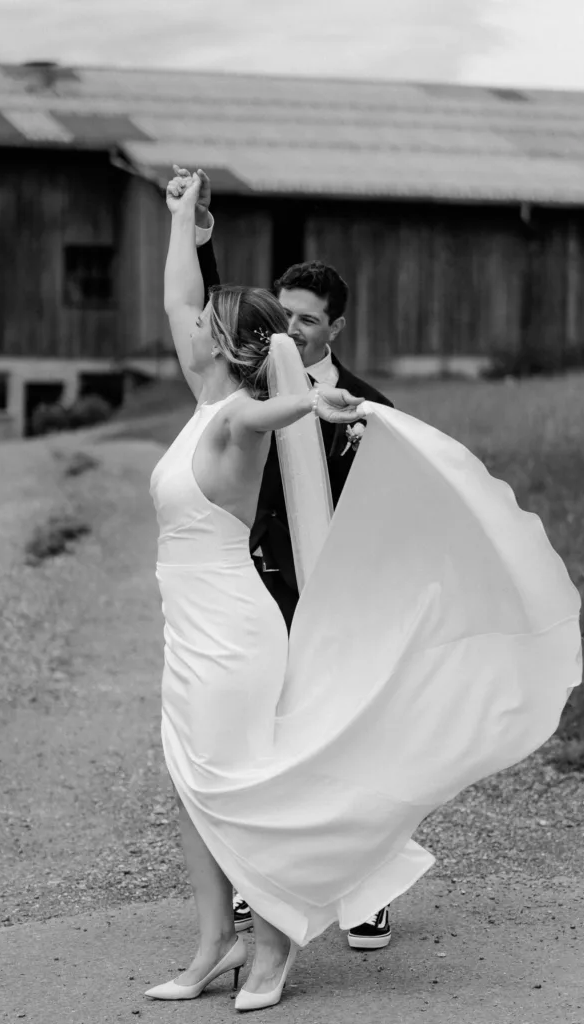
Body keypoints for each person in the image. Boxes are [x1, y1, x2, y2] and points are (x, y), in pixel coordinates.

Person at [145, 172, 581, 1012]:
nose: (189, 327)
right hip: (186, 624)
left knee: (249, 781)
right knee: (191, 783)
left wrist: (319, 397)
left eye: (206, 325)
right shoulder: (206, 398)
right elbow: (177, 297)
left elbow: (276, 413)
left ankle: (271, 947)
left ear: (235, 348)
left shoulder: (241, 414)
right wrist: (179, 225)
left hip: (236, 626)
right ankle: (213, 944)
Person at [186, 165, 396, 951]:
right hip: (255, 589)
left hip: (339, 597)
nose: (297, 328)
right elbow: (210, 316)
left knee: (348, 739)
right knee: (264, 737)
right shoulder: (240, 394)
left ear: (333, 328)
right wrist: (199, 240)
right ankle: (263, 881)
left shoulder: (370, 407)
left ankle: (364, 890)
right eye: (289, 314)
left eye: (312, 320)